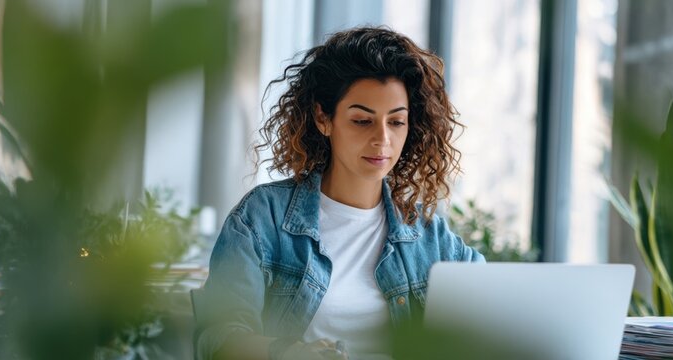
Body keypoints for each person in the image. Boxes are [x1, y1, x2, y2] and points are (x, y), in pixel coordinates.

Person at [192, 27, 484, 360]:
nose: (382, 139)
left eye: (397, 122)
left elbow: (499, 306)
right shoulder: (262, 218)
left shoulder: (429, 235)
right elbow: (218, 338)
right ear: (323, 118)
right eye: (362, 120)